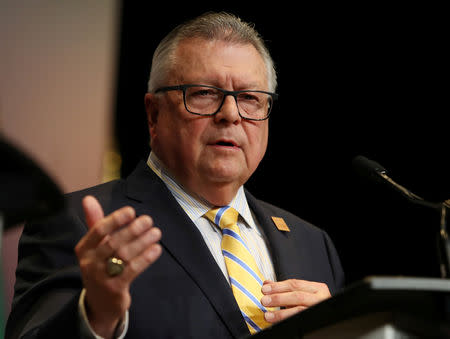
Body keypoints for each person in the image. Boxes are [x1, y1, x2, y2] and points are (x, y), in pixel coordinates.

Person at [6, 12, 344, 339]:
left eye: (250, 98)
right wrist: (96, 315)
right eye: (204, 94)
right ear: (154, 115)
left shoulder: (313, 244)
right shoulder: (79, 225)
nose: (230, 114)